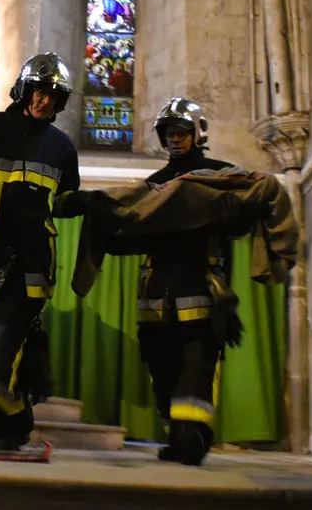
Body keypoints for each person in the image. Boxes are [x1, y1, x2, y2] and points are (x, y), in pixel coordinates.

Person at [0, 52, 86, 454]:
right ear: (25, 90)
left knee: (6, 338)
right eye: (40, 92)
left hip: (33, 261)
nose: (45, 101)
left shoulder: (62, 148)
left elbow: (63, 199)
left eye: (53, 96)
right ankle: (17, 417)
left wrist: (88, 204)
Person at [129, 97, 244, 465]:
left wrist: (232, 215)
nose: (175, 140)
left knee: (196, 367)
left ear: (198, 134)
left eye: (181, 132)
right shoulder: (153, 184)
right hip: (156, 292)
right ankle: (177, 432)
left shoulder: (222, 174)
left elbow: (248, 219)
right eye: (168, 134)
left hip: (200, 285)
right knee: (162, 367)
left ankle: (192, 436)